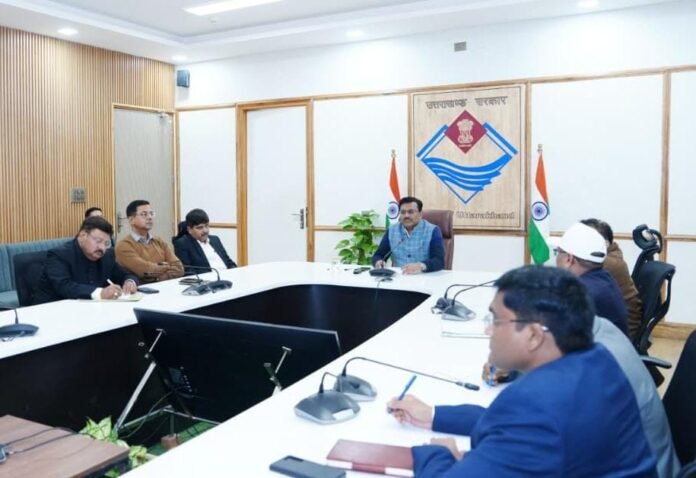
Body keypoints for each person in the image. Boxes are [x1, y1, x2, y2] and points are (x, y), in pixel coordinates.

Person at [388, 266, 657, 477]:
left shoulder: (535, 406)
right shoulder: (598, 362)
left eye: (495, 320)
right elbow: (507, 426)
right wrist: (433, 415)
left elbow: (523, 424)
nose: (488, 330)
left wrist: (438, 453)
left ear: (533, 335)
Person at [33, 216, 138, 304]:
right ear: (83, 235)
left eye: (106, 243)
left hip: (93, 310)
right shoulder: (59, 255)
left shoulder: (107, 256)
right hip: (54, 312)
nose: (102, 248)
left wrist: (129, 282)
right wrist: (100, 293)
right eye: (98, 241)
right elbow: (64, 286)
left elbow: (126, 275)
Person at [552, 222, 629, 335]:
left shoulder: (580, 294)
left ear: (569, 259)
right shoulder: (604, 278)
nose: (556, 257)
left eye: (558, 252)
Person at [582, 218, 643, 340]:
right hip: (612, 323)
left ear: (605, 244)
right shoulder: (610, 256)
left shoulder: (605, 263)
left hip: (620, 331)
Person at [115, 200, 184, 283]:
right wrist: (167, 266)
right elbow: (145, 271)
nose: (150, 217)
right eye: (144, 214)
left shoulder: (159, 241)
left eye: (151, 213)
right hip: (141, 289)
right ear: (131, 220)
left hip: (165, 286)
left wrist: (158, 278)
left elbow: (179, 268)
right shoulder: (124, 245)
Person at [371, 197, 445, 274]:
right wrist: (378, 262)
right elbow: (378, 255)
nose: (406, 216)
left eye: (411, 212)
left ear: (420, 214)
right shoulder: (392, 230)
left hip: (424, 276)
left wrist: (420, 266)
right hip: (399, 277)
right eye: (403, 212)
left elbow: (439, 261)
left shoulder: (433, 230)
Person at [174, 208, 237, 275]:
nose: (205, 230)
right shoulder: (182, 244)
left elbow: (229, 262)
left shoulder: (215, 239)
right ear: (189, 230)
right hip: (208, 279)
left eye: (206, 226)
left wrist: (236, 272)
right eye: (200, 228)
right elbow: (188, 271)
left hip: (228, 276)